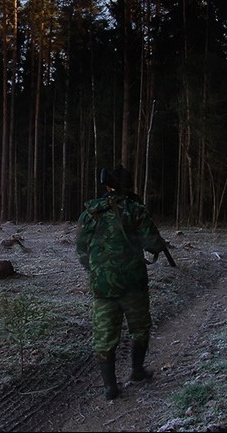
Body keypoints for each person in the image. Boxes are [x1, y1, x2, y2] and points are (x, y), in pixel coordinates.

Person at [76, 166, 166, 400]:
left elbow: (81, 250)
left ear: (107, 187)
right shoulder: (135, 209)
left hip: (102, 286)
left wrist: (96, 271)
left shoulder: (90, 213)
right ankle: (136, 371)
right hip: (133, 284)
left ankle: (110, 387)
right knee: (140, 329)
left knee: (104, 336)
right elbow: (153, 244)